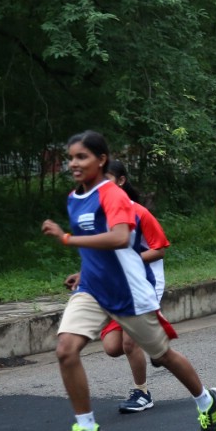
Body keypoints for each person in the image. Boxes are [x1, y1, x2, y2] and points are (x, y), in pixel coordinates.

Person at [41, 130, 216, 431]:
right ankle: (86, 427)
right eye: (70, 158)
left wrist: (67, 239)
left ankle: (206, 401)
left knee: (162, 355)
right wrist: (84, 272)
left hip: (128, 292)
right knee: (66, 349)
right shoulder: (74, 198)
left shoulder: (113, 195)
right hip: (92, 289)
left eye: (81, 157)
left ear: (101, 159)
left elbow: (120, 238)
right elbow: (99, 249)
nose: (73, 163)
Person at [83, 160, 177, 413]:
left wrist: (127, 261)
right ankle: (155, 342)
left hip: (145, 284)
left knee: (128, 344)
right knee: (112, 348)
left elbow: (159, 250)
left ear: (121, 181)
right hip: (117, 289)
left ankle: (142, 393)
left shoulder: (139, 212)